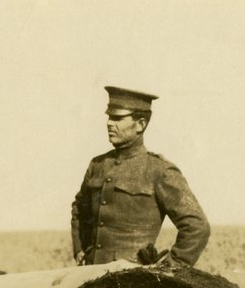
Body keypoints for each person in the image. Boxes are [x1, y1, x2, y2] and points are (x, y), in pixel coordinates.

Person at [70, 86, 210, 267]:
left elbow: (197, 227)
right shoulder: (98, 165)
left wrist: (170, 268)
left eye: (118, 118)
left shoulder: (159, 170)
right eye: (109, 117)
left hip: (132, 281)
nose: (109, 123)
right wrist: (80, 249)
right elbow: (79, 209)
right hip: (90, 274)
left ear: (141, 124)